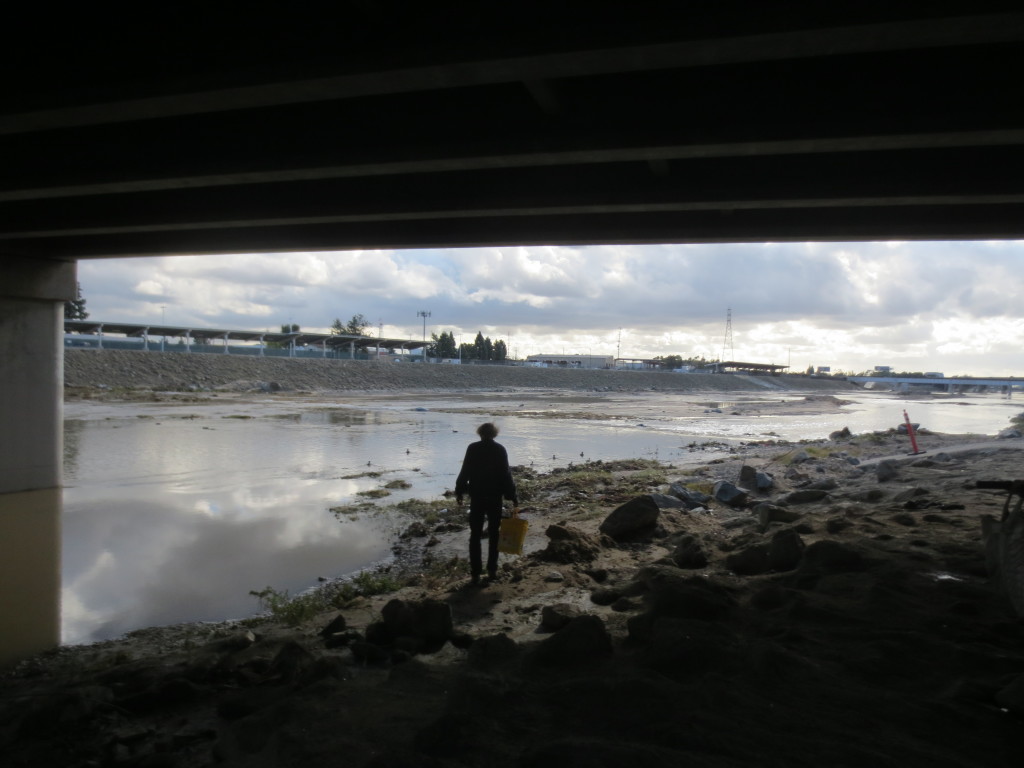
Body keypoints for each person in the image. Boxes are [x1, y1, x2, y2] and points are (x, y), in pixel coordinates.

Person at [455, 422, 518, 584]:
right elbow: (506, 475)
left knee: (475, 535)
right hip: (494, 497)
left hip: (476, 496)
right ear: (495, 434)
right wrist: (512, 496)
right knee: (494, 533)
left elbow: (465, 471)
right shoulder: (499, 449)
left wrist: (459, 491)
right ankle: (492, 571)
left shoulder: (473, 448)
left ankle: (475, 573)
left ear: (480, 433)